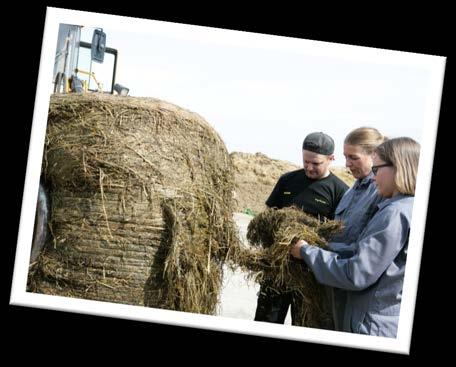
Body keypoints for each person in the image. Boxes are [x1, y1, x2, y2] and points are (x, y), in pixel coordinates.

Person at [290, 137, 419, 337]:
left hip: (371, 327)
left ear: (398, 167)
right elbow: (361, 250)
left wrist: (307, 252)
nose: (373, 179)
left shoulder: (395, 214)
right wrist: (322, 246)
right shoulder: (404, 208)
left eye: (376, 170)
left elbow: (357, 273)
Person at [254, 132, 349, 325]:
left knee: (303, 325)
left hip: (310, 274)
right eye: (306, 161)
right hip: (278, 268)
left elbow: (339, 235)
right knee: (266, 322)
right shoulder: (287, 180)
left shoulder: (340, 191)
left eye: (316, 163)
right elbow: (268, 214)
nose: (309, 167)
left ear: (331, 159)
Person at [329, 127, 387, 330]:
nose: (347, 164)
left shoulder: (380, 192)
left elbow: (365, 248)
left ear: (374, 155)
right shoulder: (352, 189)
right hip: (336, 281)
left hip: (357, 290)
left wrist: (318, 251)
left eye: (353, 157)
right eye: (345, 157)